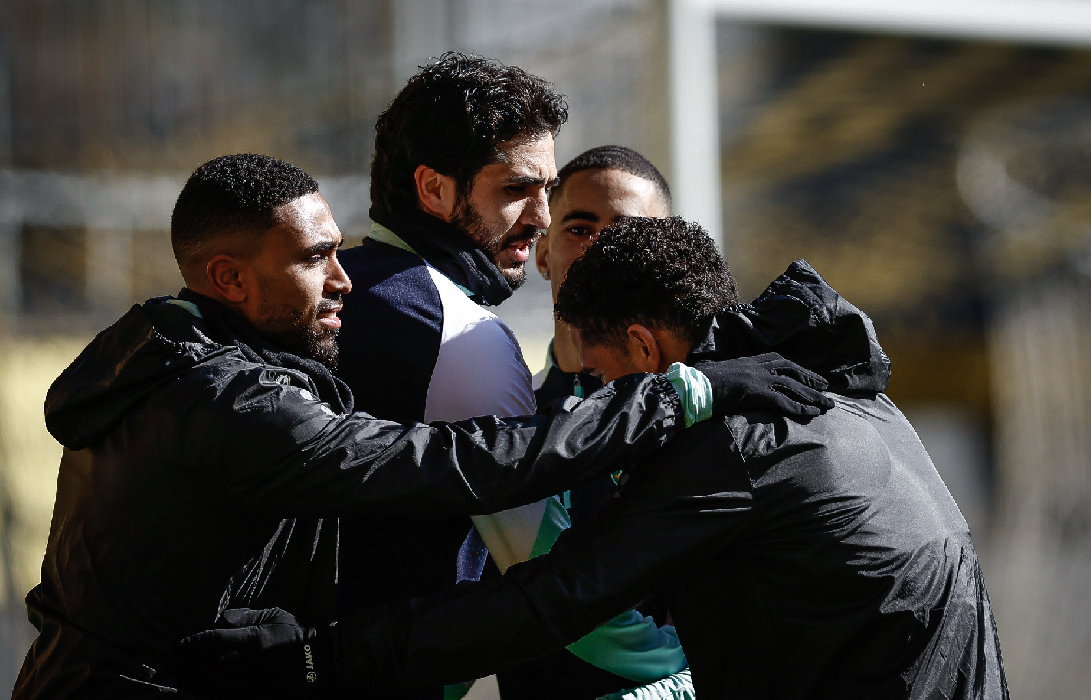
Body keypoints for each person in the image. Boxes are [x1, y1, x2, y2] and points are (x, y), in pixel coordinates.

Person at [11, 155, 829, 698]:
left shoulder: (179, 357)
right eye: (312, 259)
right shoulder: (224, 402)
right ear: (228, 277)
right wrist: (676, 397)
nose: (343, 280)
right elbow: (450, 465)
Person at [181, 216, 1008, 699]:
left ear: (646, 349)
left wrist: (323, 658)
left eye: (607, 379)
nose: (606, 401)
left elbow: (557, 599)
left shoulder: (734, 445)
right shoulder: (840, 393)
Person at [331, 55, 828, 697]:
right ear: (434, 190)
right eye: (518, 189)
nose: (540, 215)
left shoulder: (335, 291)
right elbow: (559, 591)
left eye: (546, 190)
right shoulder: (462, 341)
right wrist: (682, 675)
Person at [497, 145, 685, 699]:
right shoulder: (504, 415)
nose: (601, 250)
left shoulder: (711, 414)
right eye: (580, 229)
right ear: (543, 253)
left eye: (627, 232)